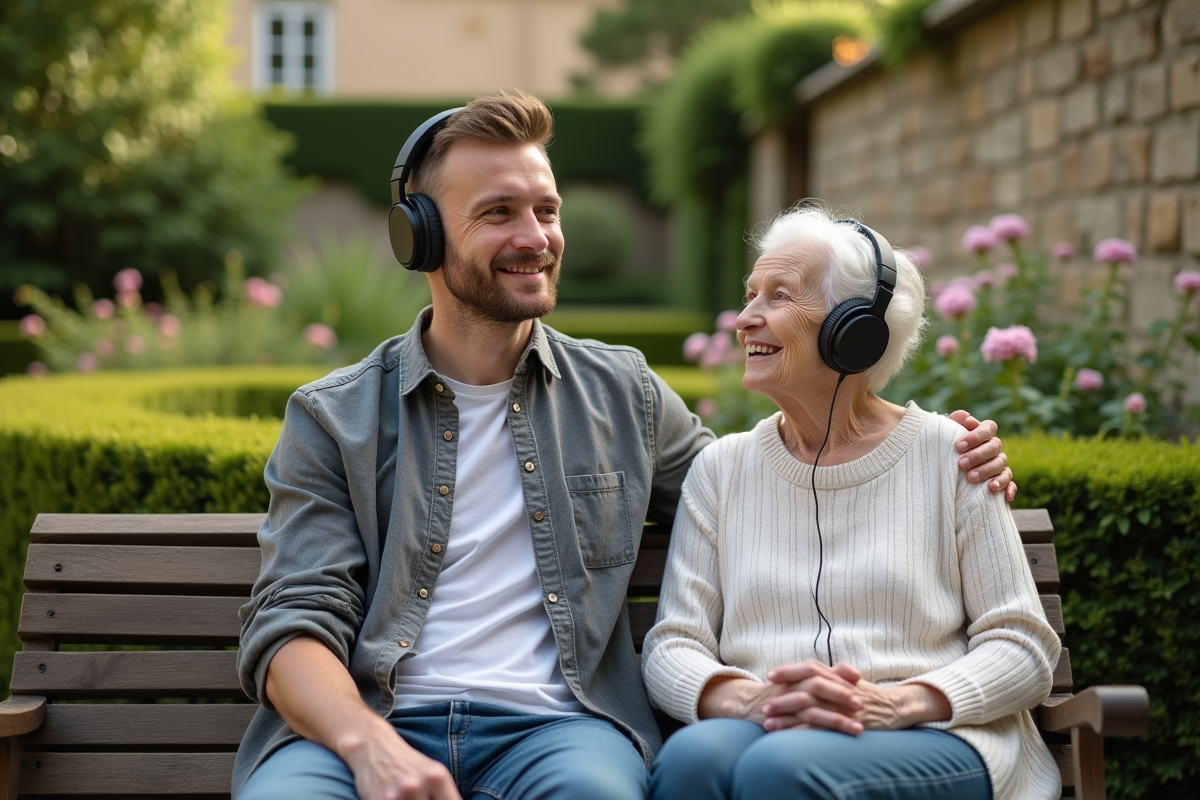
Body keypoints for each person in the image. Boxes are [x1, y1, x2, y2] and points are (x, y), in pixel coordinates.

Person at [233, 94, 1015, 800]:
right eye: (499, 213)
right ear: (422, 236)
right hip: (361, 724)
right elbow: (293, 623)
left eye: (547, 209)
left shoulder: (627, 396)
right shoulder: (334, 417)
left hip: (557, 731)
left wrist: (933, 444)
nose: (535, 237)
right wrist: (370, 747)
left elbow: (778, 475)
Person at [641, 205, 1062, 800]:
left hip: (934, 731)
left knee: (780, 771)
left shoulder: (952, 454)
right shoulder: (722, 469)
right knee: (691, 761)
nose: (745, 318)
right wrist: (749, 698)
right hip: (767, 723)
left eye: (778, 297)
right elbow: (673, 644)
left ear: (854, 330)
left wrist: (892, 704)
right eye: (749, 294)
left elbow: (1022, 645)